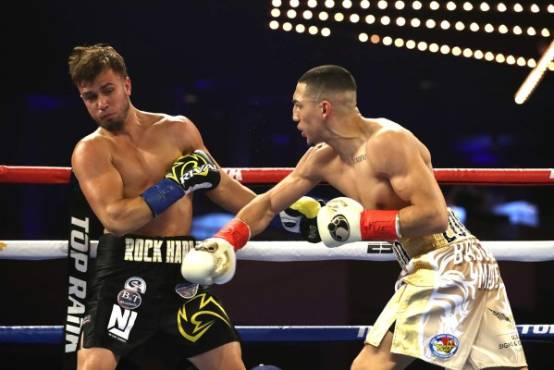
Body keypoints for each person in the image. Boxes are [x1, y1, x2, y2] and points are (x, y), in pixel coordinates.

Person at [181, 65, 528, 370]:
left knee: (369, 365)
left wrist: (359, 227)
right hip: (454, 262)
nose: (294, 116)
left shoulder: (389, 142)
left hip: (446, 259)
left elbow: (434, 216)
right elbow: (268, 204)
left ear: (324, 108)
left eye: (298, 106)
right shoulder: (321, 159)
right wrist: (226, 240)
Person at [68, 43, 255, 370]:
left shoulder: (177, 130)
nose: (101, 104)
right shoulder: (91, 150)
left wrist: (283, 210)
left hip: (182, 271)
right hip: (126, 270)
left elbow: (220, 186)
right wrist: (176, 184)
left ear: (127, 85)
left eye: (107, 91)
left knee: (229, 361)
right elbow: (117, 217)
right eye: (90, 97)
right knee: (94, 365)